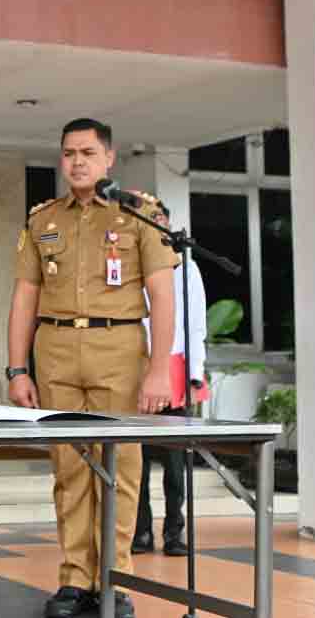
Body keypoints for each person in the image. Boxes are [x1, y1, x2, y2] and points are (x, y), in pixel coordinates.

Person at [7, 118, 177, 618]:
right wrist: (18, 369)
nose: (76, 162)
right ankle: (75, 580)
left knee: (120, 470)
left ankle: (114, 580)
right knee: (70, 469)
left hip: (119, 348)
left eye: (86, 152)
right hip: (57, 348)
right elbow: (24, 297)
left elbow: (162, 296)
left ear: (109, 158)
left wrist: (160, 369)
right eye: (67, 153)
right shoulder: (43, 220)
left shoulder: (140, 214)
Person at [133, 202, 208, 557]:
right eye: (150, 220)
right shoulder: (130, 262)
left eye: (160, 219)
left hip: (175, 368)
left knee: (176, 463)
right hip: (135, 366)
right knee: (137, 461)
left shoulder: (186, 268)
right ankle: (140, 532)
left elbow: (196, 324)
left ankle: (175, 532)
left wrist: (195, 373)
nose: (156, 225)